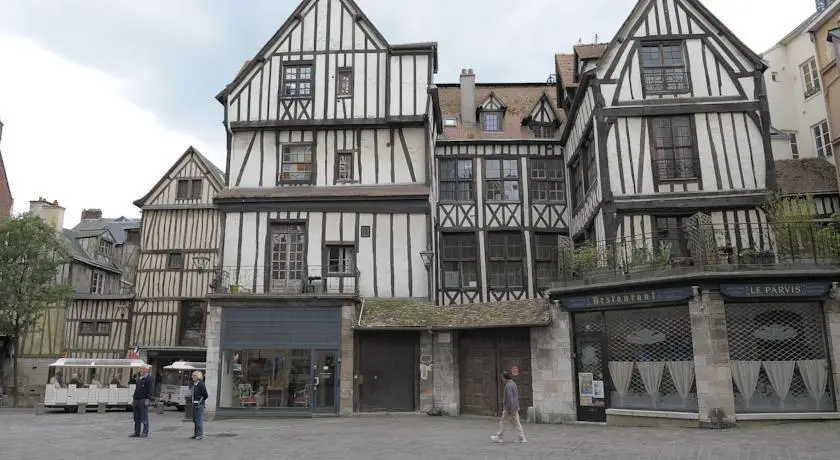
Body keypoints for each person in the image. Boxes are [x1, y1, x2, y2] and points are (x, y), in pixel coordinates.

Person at [490, 371, 527, 444]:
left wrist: (509, 409)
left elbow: (510, 398)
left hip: (509, 407)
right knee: (516, 422)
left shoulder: (508, 386)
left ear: (504, 378)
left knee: (503, 421)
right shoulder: (514, 384)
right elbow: (515, 397)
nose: (502, 380)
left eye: (502, 378)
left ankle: (499, 437)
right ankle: (522, 438)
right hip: (515, 407)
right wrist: (517, 406)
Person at [130, 365, 154, 438]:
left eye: (143, 369)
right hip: (137, 399)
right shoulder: (139, 378)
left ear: (147, 370)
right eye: (140, 369)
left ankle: (145, 432)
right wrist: (134, 399)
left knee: (144, 417)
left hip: (143, 400)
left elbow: (151, 389)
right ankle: (137, 432)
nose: (141, 370)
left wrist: (148, 399)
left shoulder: (149, 378)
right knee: (136, 417)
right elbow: (136, 390)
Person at [189, 371, 209, 440]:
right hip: (194, 404)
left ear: (198, 376)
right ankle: (196, 434)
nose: (192, 377)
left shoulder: (201, 384)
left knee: (198, 419)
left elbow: (205, 395)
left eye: (194, 375)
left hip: (199, 404)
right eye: (192, 375)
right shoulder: (194, 384)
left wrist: (201, 401)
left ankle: (200, 434)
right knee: (195, 420)